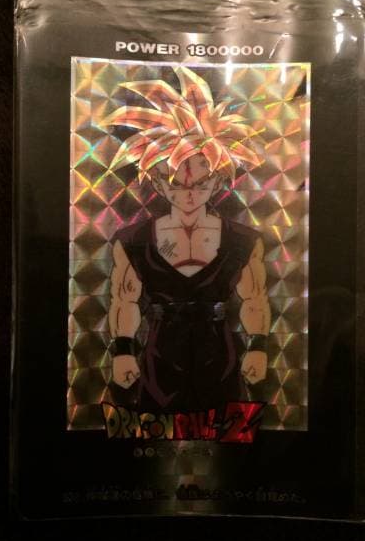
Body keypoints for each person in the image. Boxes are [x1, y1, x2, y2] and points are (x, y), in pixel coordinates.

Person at [103, 66, 270, 411]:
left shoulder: (242, 241)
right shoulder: (134, 241)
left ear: (218, 180)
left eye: (200, 184)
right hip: (160, 353)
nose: (189, 194)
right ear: (158, 182)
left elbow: (254, 298)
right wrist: (122, 351)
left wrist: (258, 347)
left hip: (220, 352)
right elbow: (125, 300)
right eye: (176, 184)